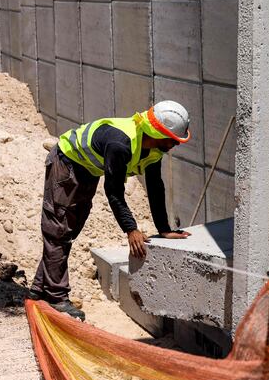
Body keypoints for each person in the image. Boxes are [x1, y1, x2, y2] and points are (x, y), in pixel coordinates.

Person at [28, 101, 193, 320]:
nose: (176, 145)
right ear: (156, 133)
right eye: (173, 140)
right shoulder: (121, 143)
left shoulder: (154, 148)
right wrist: (130, 229)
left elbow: (155, 186)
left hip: (87, 170)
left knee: (67, 232)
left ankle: (40, 290)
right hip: (66, 162)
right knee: (58, 231)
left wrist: (163, 228)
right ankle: (56, 298)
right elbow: (114, 192)